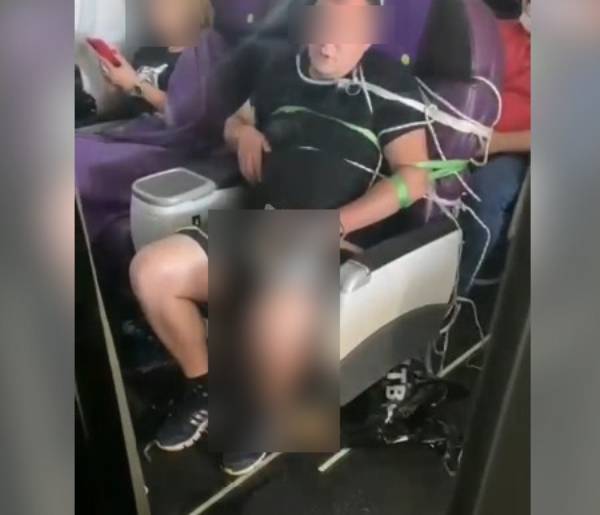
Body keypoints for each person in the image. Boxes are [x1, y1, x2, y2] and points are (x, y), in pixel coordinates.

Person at [130, 0, 430, 475]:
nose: (328, 42)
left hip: (329, 244)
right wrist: (244, 136)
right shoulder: (284, 69)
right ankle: (205, 385)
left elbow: (415, 177)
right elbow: (235, 122)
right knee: (151, 271)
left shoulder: (390, 83)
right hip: (260, 228)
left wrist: (337, 223)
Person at [76, 0, 227, 256]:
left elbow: (190, 113)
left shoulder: (203, 54)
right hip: (136, 131)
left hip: (168, 142)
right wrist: (117, 85)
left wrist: (136, 85)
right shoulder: (148, 53)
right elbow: (128, 105)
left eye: (165, 6)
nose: (156, 14)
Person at [458, 0, 531, 294]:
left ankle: (455, 294)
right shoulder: (496, 32)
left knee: (484, 194)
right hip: (466, 132)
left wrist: (498, 143)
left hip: (518, 153)